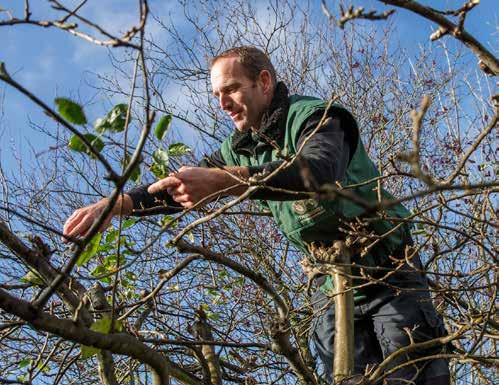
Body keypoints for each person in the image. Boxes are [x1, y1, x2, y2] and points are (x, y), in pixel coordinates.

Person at [63, 46, 450, 384]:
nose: (222, 103)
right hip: (328, 286)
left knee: (411, 373)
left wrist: (226, 181)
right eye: (216, 94)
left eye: (230, 89)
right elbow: (178, 189)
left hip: (388, 275)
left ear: (263, 82)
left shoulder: (316, 116)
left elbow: (317, 171)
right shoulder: (238, 149)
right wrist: (118, 205)